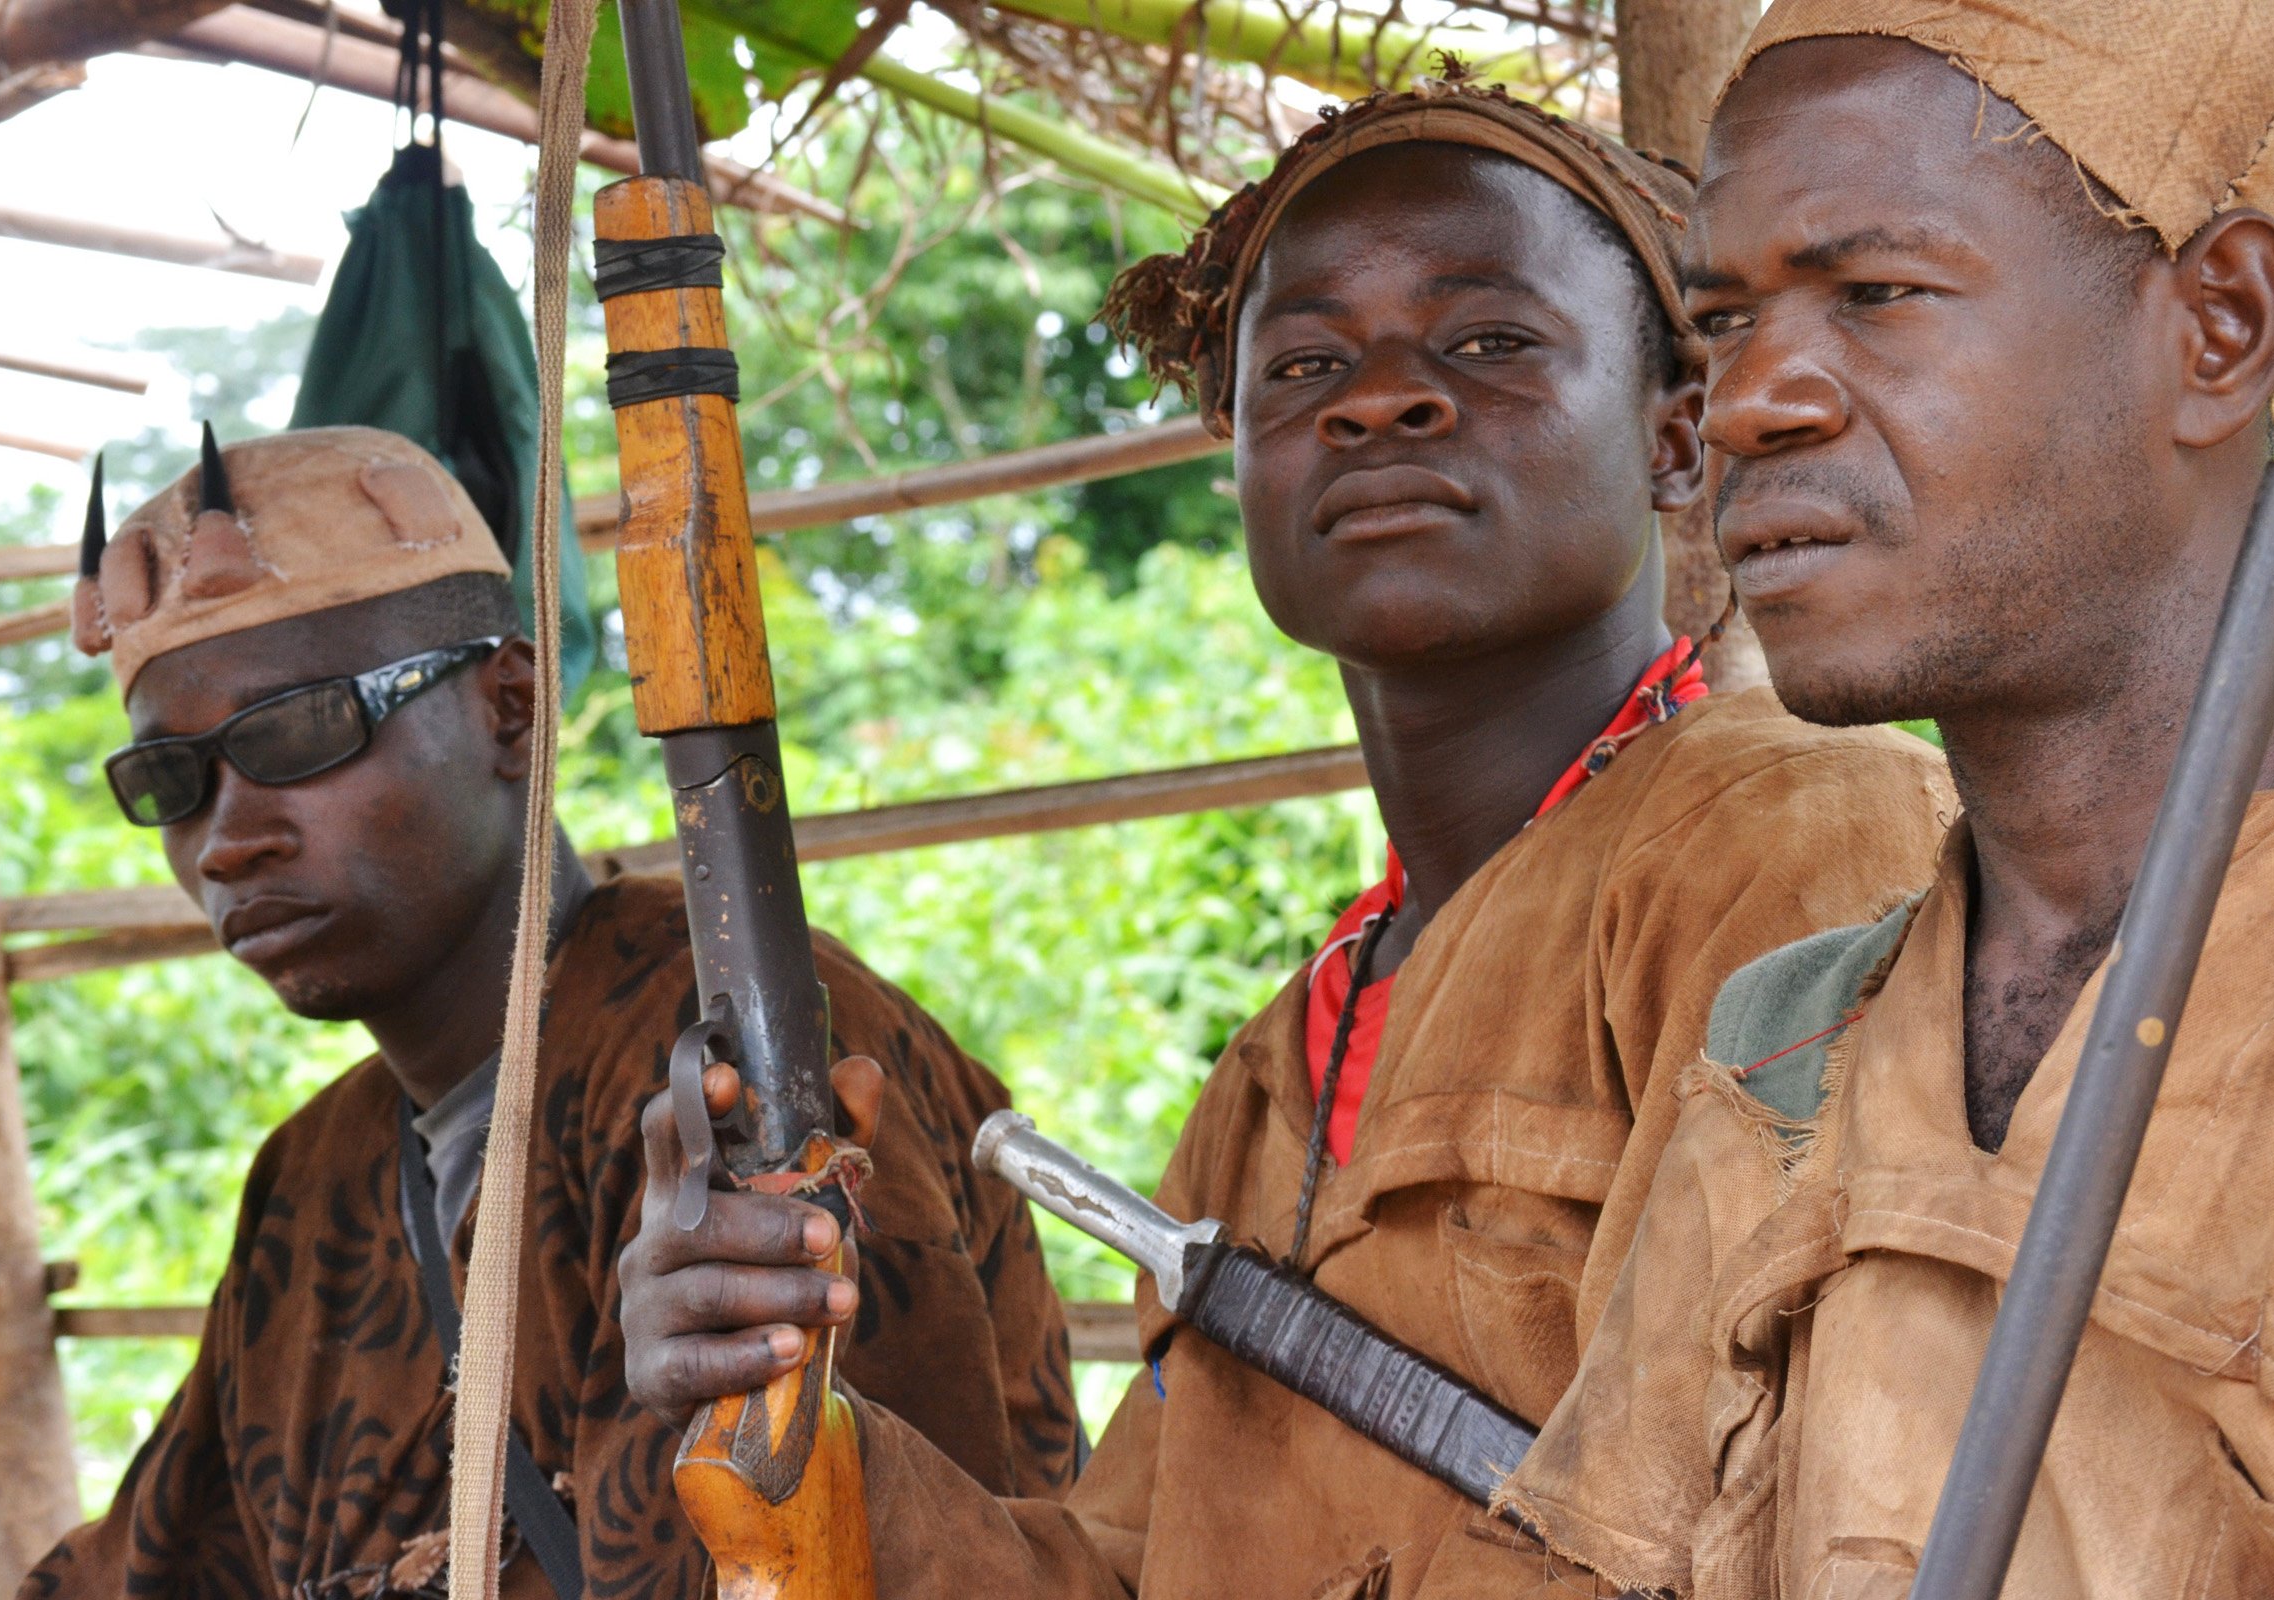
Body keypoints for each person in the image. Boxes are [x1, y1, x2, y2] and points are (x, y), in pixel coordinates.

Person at [615, 78, 1954, 1598]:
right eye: (1307, 361)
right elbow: (1132, 1571)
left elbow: (1832, 1512)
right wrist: (791, 1421)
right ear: (1240, 458)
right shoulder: (1276, 1073)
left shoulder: (1795, 838)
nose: (1381, 397)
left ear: (1677, 437)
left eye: (1489, 341)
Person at [1498, 4, 2274, 1596]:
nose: (1752, 406)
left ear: (2224, 328)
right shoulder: (1781, 1055)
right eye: (1725, 324)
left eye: (1876, 294)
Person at [22, 426, 1079, 1600]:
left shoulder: (725, 1046)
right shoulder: (311, 1173)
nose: (227, 837)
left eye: (297, 733)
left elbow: (868, 1547)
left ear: (512, 706)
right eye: (170, 780)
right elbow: (158, 1561)